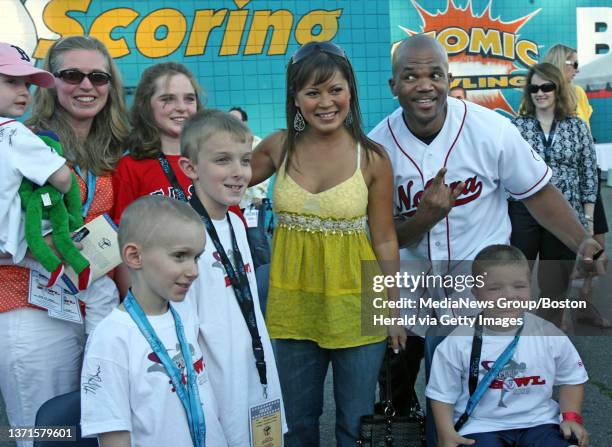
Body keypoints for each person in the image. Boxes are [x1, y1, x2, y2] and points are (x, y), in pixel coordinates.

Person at [367, 34, 604, 446]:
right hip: (407, 285)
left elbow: (539, 193)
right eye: (411, 76)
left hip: (476, 285)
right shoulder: (377, 145)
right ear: (394, 86)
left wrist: (582, 241)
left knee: (473, 396)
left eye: (434, 74)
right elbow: (380, 235)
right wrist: (424, 217)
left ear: (449, 79)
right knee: (397, 392)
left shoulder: (490, 130)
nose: (424, 85)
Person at [250, 41, 404, 446]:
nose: (325, 102)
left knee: (356, 422)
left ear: (350, 91)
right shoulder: (277, 147)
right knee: (297, 422)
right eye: (312, 92)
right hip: (293, 307)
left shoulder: (371, 158)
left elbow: (386, 240)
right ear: (295, 98)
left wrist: (391, 311)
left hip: (358, 306)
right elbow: (221, 181)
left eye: (334, 89)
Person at [0, 35, 128, 446]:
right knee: (42, 431)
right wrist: (21, 248)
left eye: (98, 76)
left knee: (99, 425)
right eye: (72, 75)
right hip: (31, 307)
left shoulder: (113, 151)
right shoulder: (17, 141)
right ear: (51, 84)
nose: (86, 85)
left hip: (95, 306)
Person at [81, 195, 228, 447]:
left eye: (197, 257)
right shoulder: (111, 338)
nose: (193, 271)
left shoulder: (184, 313)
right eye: (180, 256)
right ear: (135, 257)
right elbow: (114, 435)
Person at [178, 109, 286, 446]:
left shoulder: (237, 225)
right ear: (190, 168)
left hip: (253, 377)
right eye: (223, 160)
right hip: (214, 388)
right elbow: (184, 327)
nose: (238, 173)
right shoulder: (182, 235)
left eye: (244, 160)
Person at [426, 244, 588, 447]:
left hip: (540, 423)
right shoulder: (457, 342)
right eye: (495, 288)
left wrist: (571, 417)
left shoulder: (549, 334)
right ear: (476, 293)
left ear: (530, 287)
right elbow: (442, 395)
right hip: (481, 426)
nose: (509, 295)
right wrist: (445, 434)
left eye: (519, 286)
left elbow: (572, 377)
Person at [509, 62, 597, 328]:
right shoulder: (516, 127)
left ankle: (550, 336)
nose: (540, 92)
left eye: (546, 86)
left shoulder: (577, 127)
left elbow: (589, 174)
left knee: (555, 284)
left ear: (558, 89)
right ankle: (512, 332)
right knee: (515, 276)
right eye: (534, 87)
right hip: (523, 210)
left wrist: (588, 221)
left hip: (565, 213)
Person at [544, 44, 610, 328]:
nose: (577, 69)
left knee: (597, 244)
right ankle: (556, 315)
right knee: (561, 252)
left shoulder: (579, 94)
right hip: (558, 185)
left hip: (588, 178)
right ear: (559, 64)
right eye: (572, 63)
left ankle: (583, 304)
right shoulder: (541, 96)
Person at [0, 41, 72, 264]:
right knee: (100, 291)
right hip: (11, 243)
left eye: (27, 85)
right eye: (11, 81)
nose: (23, 91)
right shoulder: (13, 131)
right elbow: (63, 180)